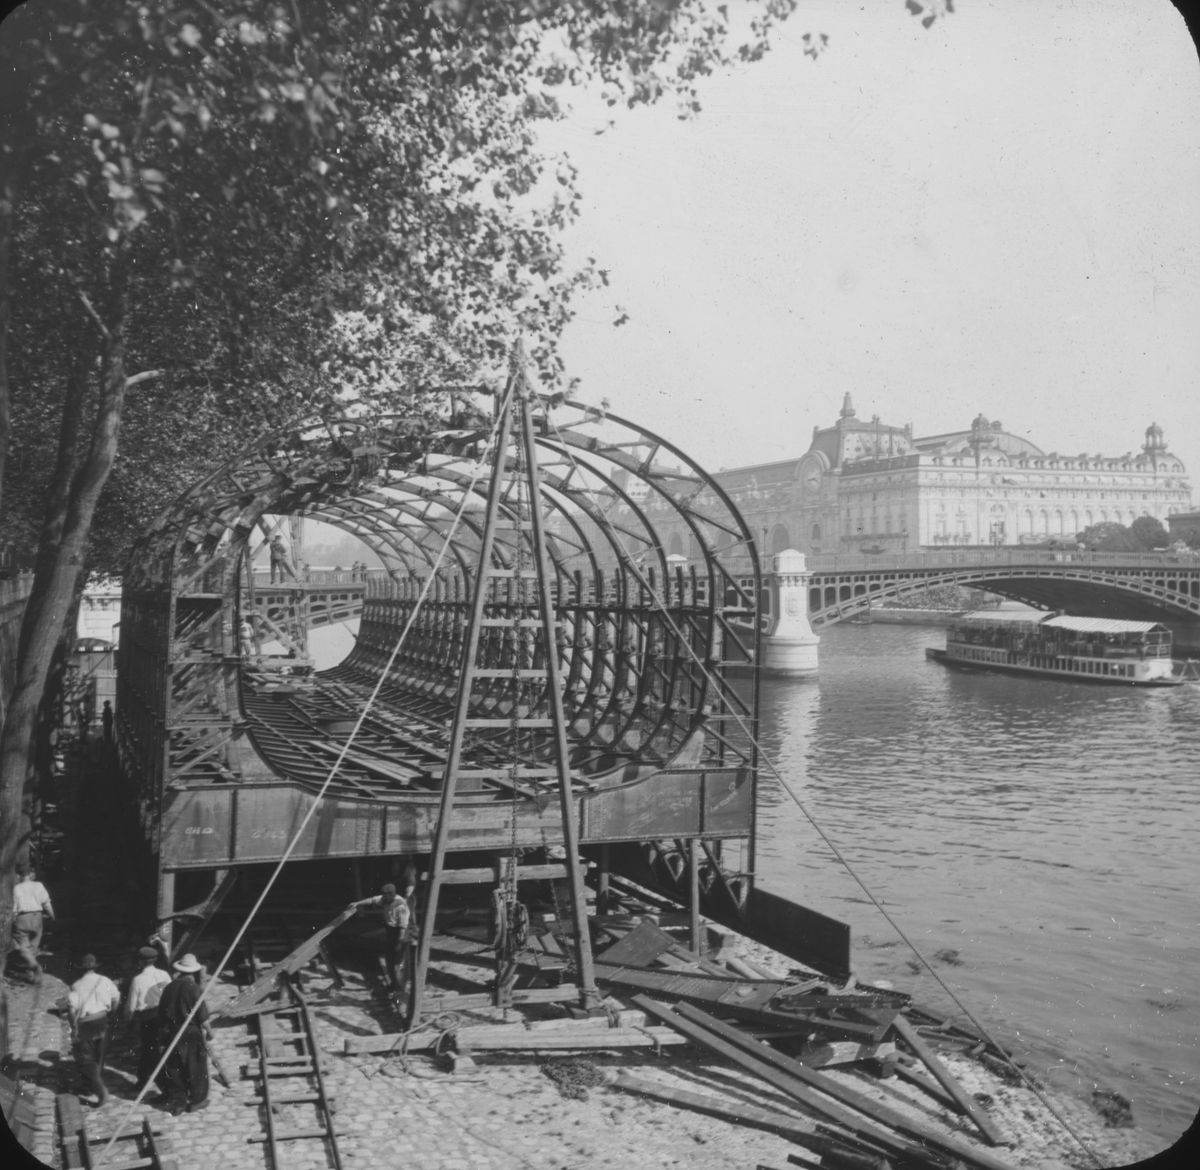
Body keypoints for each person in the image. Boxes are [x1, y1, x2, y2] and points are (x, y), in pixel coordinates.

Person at [156, 953, 211, 1114]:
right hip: (190, 1033)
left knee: (175, 1067)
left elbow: (161, 1014)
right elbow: (202, 1016)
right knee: (196, 1067)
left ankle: (178, 1101)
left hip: (172, 1032)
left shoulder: (169, 987)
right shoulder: (193, 988)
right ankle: (196, 1100)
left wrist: (161, 1038)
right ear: (193, 972)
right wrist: (210, 1032)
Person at [68, 954, 121, 1106]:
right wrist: (112, 1014)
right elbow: (116, 998)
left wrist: (73, 1028)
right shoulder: (105, 980)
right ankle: (91, 1084)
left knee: (84, 1058)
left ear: (81, 969)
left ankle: (98, 1088)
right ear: (95, 967)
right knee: (99, 1054)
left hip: (86, 1023)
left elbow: (72, 1010)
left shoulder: (77, 985)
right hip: (102, 1020)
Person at [348, 883, 412, 995]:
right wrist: (358, 903)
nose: (382, 898)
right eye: (382, 896)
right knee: (389, 960)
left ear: (391, 894)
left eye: (385, 896)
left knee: (398, 963)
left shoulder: (400, 906)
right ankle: (393, 985)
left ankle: (400, 988)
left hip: (399, 935)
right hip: (390, 932)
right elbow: (372, 900)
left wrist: (398, 943)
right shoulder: (385, 900)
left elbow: (402, 927)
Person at [124, 946, 171, 1093]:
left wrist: (128, 1020)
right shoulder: (164, 974)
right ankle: (147, 1078)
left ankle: (148, 1080)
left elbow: (131, 1005)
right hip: (164, 1015)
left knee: (148, 1050)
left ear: (140, 962)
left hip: (148, 1019)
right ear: (155, 960)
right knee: (162, 1047)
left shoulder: (138, 980)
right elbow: (171, 992)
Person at [11, 861, 55, 984]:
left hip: (22, 918)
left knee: (22, 947)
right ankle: (33, 975)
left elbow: (14, 908)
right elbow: (46, 903)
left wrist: (13, 920)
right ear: (30, 874)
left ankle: (34, 968)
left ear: (18, 876)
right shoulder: (39, 885)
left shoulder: (16, 888)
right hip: (37, 918)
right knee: (33, 947)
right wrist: (52, 916)